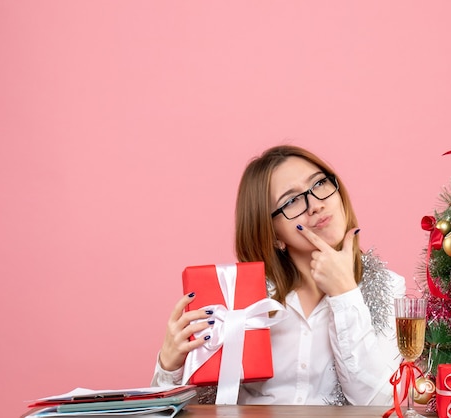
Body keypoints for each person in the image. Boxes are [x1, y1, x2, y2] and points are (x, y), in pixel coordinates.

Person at [151, 145, 406, 405]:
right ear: (273, 236)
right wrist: (169, 368)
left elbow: (379, 403)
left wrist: (344, 293)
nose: (315, 205)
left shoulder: (389, 287)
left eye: (319, 184)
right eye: (291, 201)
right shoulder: (240, 300)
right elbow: (192, 407)